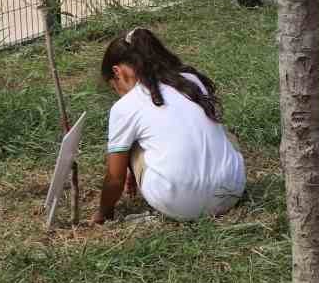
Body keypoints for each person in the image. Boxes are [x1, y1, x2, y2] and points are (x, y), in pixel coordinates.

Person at [96, 28, 246, 223]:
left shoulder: (125, 106)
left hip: (179, 204)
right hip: (231, 193)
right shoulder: (192, 81)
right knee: (224, 132)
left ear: (118, 72)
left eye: (114, 86)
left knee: (129, 143)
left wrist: (103, 213)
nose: (118, 93)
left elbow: (114, 180)